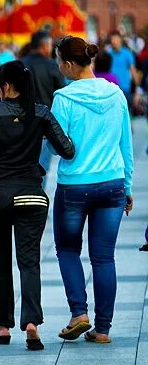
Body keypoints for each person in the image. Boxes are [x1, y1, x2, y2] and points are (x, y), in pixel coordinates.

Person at [0, 61, 74, 351]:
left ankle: (3, 326)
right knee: (29, 261)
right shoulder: (41, 112)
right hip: (31, 194)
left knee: (0, 262)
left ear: (5, 86)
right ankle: (32, 324)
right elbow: (66, 149)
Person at [51, 36, 134, 345]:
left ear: (70, 65)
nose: (59, 68)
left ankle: (78, 313)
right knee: (103, 257)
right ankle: (103, 329)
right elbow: (126, 144)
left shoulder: (64, 98)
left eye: (60, 62)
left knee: (68, 249)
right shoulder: (116, 94)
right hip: (112, 183)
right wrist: (126, 186)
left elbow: (59, 145)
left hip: (75, 185)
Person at [20, 30, 65, 106]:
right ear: (45, 46)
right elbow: (61, 91)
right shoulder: (52, 65)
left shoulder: (19, 64)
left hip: (24, 114)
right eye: (51, 45)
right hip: (48, 113)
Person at [107, 31, 137, 109]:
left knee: (126, 111)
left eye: (115, 39)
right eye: (112, 40)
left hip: (125, 87)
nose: (113, 42)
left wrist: (137, 88)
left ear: (120, 40)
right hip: (111, 88)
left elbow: (133, 70)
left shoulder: (127, 53)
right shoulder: (108, 53)